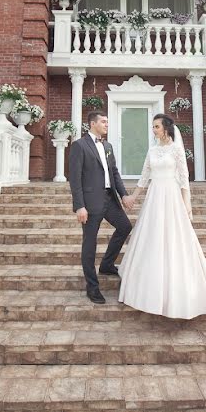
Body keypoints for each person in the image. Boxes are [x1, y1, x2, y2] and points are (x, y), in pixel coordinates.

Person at [120, 113, 206, 319]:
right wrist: (133, 197)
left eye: (156, 126)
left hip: (172, 196)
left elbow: (184, 177)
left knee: (175, 238)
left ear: (166, 128)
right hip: (154, 197)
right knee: (153, 238)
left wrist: (187, 204)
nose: (153, 130)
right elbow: (144, 176)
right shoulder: (152, 150)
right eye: (153, 127)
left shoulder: (176, 149)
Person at [67, 111, 133, 304]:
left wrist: (124, 195)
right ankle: (92, 287)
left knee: (125, 227)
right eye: (103, 122)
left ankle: (106, 264)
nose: (107, 124)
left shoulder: (108, 146)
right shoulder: (79, 146)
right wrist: (79, 206)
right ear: (93, 123)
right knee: (90, 243)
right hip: (90, 202)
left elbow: (114, 172)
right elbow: (75, 178)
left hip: (109, 199)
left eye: (107, 121)